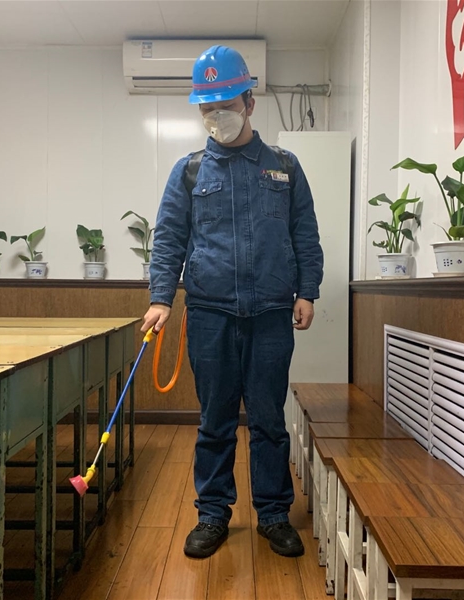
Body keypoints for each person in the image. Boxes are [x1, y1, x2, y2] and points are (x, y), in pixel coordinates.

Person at [141, 45, 324, 559]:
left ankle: (273, 514)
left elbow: (305, 234)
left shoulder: (284, 167)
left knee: (268, 420)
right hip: (210, 314)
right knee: (215, 420)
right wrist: (161, 298)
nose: (216, 115)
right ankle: (213, 513)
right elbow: (169, 237)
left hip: (271, 314)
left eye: (225, 105)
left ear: (249, 103)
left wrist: (308, 291)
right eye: (207, 108)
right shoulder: (189, 172)